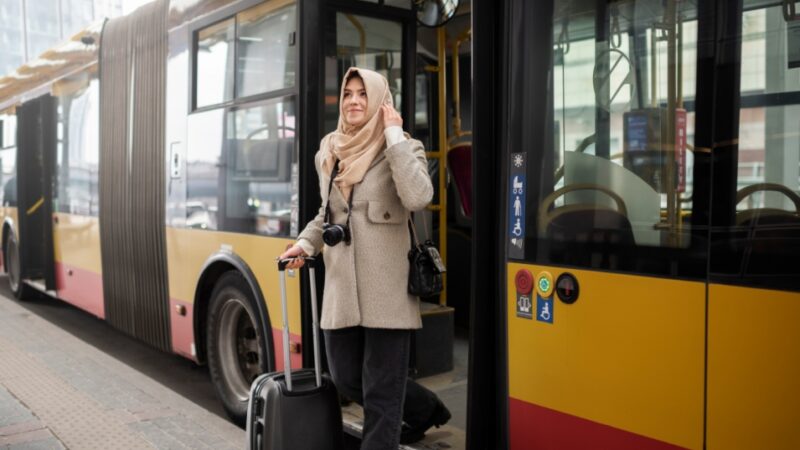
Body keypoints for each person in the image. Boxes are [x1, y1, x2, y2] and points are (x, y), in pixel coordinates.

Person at [279, 67, 450, 449]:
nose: (354, 101)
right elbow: (326, 215)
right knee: (348, 377)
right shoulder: (330, 150)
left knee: (381, 393)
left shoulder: (404, 146)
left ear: (379, 101)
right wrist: (305, 245)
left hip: (387, 290)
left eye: (363, 94)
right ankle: (425, 410)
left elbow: (418, 197)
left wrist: (392, 136)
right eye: (348, 94)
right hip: (341, 287)